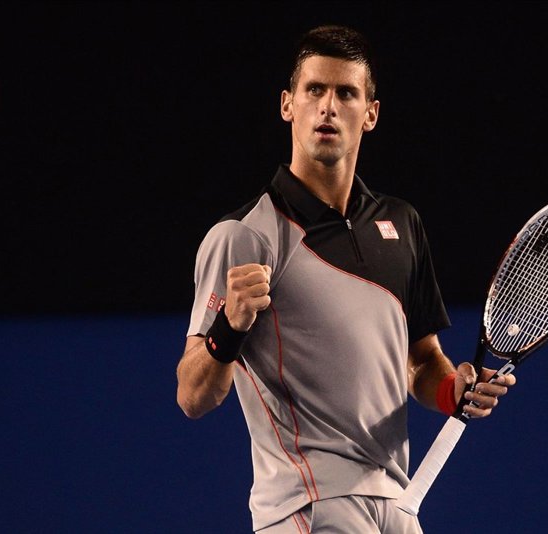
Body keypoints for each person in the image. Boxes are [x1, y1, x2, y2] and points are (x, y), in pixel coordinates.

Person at [176, 24, 516, 534]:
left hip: (396, 502)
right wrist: (230, 324)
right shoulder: (244, 236)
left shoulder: (401, 223)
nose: (328, 107)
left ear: (370, 114)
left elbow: (420, 361)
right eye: (314, 90)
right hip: (309, 504)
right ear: (288, 105)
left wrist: (455, 390)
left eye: (346, 93)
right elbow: (192, 395)